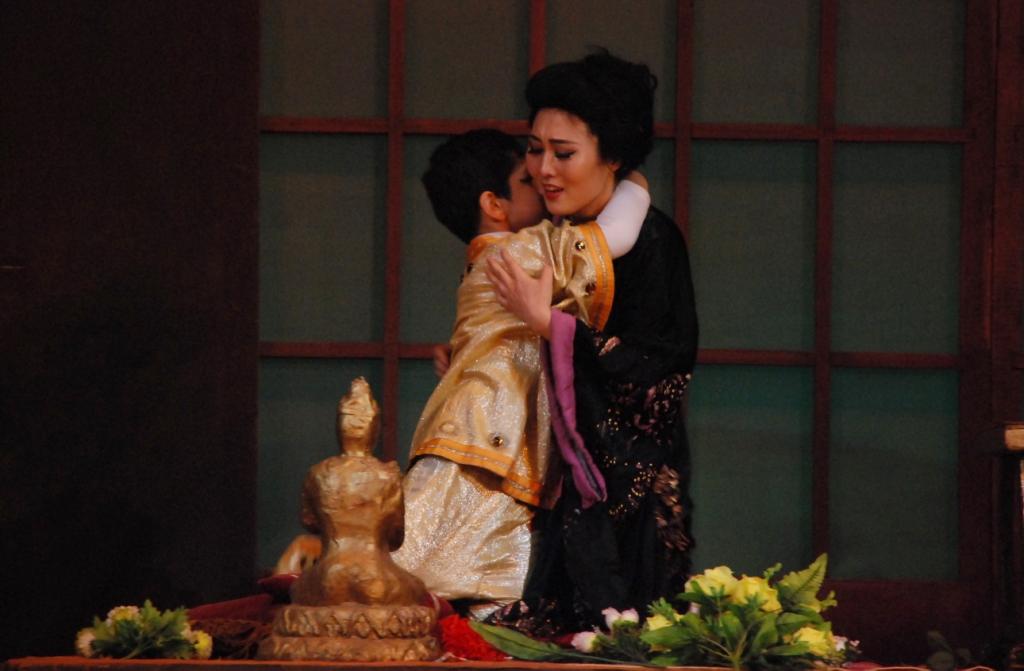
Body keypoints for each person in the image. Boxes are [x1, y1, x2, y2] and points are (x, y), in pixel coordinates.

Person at [392, 129, 651, 618]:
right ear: (494, 204)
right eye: (527, 180)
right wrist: (627, 174)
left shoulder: (479, 263)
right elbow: (617, 234)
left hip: (480, 437)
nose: (545, 179)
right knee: (414, 573)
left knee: (460, 574)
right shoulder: (521, 252)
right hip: (487, 441)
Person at [485, 49, 699, 632]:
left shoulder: (653, 243)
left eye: (564, 153)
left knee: (619, 636)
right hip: (552, 481)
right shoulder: (555, 238)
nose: (543, 170)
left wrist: (551, 327)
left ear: (614, 156)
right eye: (535, 150)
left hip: (629, 485)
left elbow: (659, 371)